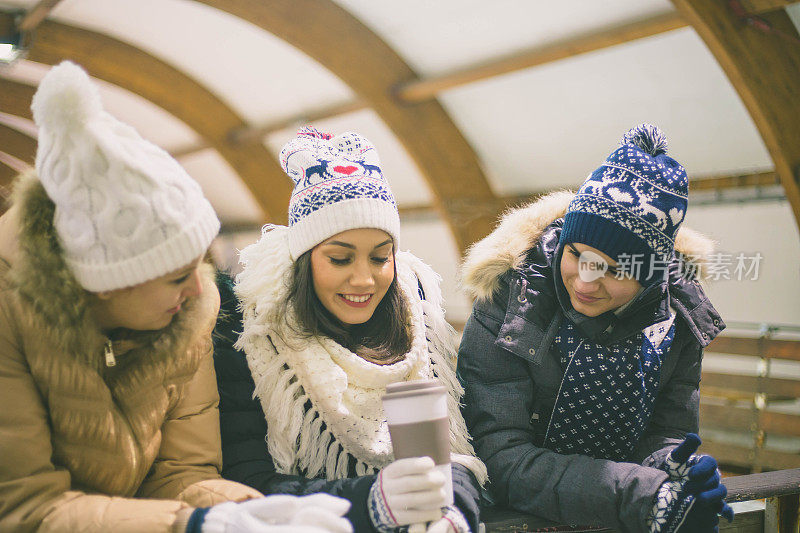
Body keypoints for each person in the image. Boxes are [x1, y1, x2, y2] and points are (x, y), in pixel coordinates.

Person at [0, 62, 351, 533]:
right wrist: (192, 525)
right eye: (176, 277)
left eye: (200, 265)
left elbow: (181, 472)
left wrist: (236, 508)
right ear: (107, 279)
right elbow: (24, 508)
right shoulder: (10, 320)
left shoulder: (186, 316)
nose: (199, 290)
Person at [457, 124, 735, 532]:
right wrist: (644, 496)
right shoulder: (513, 301)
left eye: (616, 269)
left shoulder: (678, 318)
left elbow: (666, 431)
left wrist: (674, 466)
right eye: (577, 254)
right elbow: (501, 455)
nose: (585, 281)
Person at [213, 127, 488, 533]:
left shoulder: (419, 323)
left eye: (380, 258)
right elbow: (249, 483)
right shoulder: (254, 336)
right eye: (340, 259)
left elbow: (458, 457)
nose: (364, 280)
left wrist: (454, 510)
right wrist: (373, 502)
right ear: (304, 260)